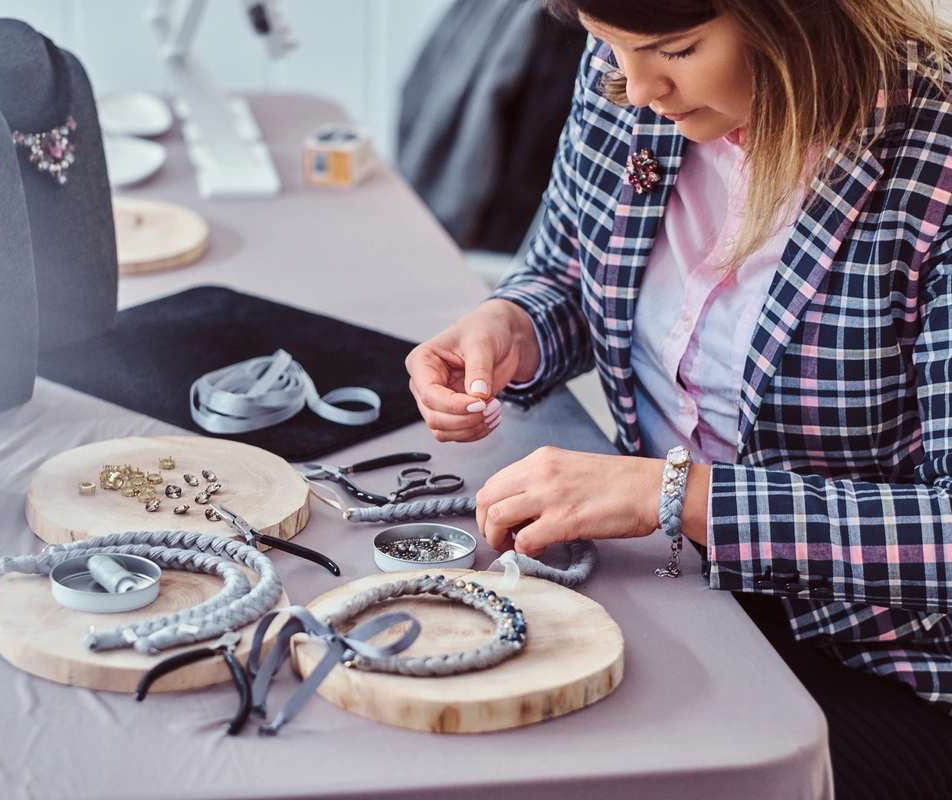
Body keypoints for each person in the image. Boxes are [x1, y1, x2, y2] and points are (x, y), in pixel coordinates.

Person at [404, 1, 952, 797]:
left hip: (872, 655)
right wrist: (514, 323)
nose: (636, 85)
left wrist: (675, 496)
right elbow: (566, 270)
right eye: (610, 48)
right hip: (674, 582)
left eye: (678, 49)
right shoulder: (630, 81)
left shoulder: (933, 164)